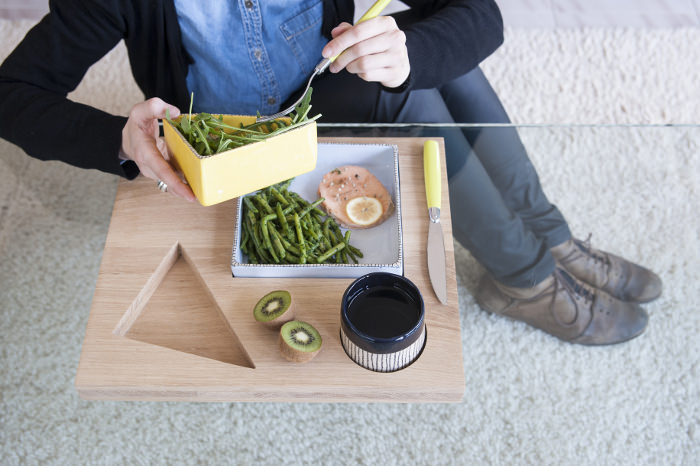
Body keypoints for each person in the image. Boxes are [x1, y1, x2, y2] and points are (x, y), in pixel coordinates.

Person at [0, 0, 661, 345]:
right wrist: (118, 136)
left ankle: (548, 238)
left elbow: (478, 12)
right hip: (241, 141)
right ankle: (524, 279)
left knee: (433, 59)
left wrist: (411, 49)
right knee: (412, 96)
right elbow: (14, 94)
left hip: (320, 83)